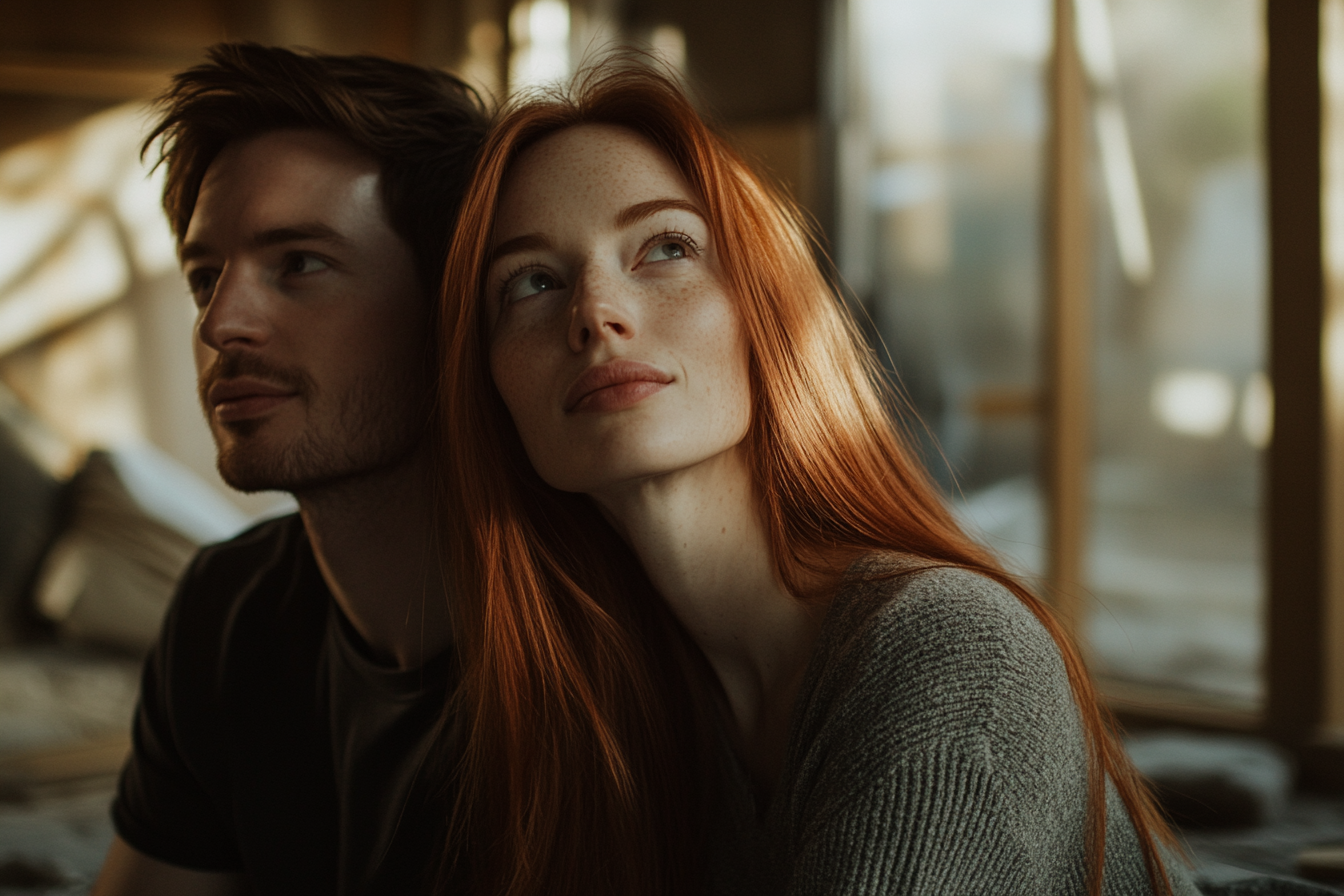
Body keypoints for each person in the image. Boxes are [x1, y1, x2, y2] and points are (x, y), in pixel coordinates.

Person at [434, 61, 1202, 895]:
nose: (594, 312)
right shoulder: (598, 711)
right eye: (532, 282)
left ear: (763, 307)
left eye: (665, 248)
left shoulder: (953, 657)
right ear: (492, 387)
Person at [91, 44, 487, 896]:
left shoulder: (592, 648)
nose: (220, 323)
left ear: (450, 307)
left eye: (299, 264)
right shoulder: (225, 608)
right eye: (206, 277)